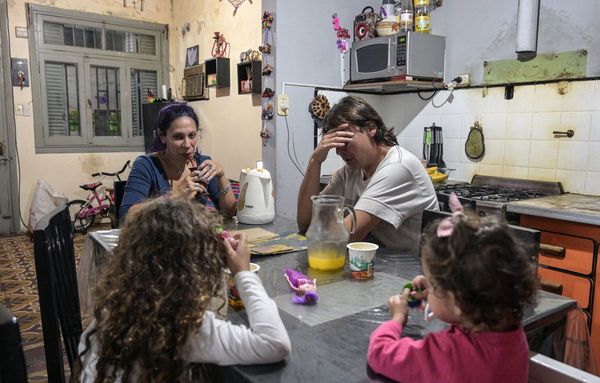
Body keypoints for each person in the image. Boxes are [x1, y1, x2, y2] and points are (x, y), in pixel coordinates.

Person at [76, 198, 291, 382]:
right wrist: (243, 273)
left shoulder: (110, 314)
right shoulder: (183, 328)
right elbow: (274, 342)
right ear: (194, 273)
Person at [367, 193, 539, 383]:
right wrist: (438, 295)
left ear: (458, 300)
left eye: (433, 286)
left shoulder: (447, 352)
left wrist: (397, 319)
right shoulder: (511, 331)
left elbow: (379, 353)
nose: (430, 290)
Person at [297, 96, 438, 252]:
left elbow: (345, 237)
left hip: (408, 270)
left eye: (345, 140)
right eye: (335, 143)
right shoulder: (350, 171)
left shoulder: (397, 167)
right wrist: (315, 161)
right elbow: (306, 223)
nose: (339, 151)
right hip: (375, 262)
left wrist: (322, 227)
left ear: (371, 128)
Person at [119, 103, 236, 221]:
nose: (187, 144)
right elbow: (126, 216)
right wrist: (176, 195)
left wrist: (221, 176)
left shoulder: (202, 163)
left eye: (192, 135)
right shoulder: (146, 165)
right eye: (178, 137)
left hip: (191, 235)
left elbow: (228, 213)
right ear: (162, 137)